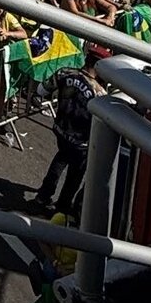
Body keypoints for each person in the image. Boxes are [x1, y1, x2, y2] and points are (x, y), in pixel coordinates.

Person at [31, 58, 107, 215]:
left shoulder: (64, 73)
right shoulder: (99, 93)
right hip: (82, 140)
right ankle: (62, 207)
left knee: (60, 160)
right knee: (75, 174)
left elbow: (41, 90)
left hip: (61, 130)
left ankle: (43, 196)